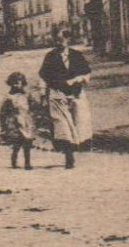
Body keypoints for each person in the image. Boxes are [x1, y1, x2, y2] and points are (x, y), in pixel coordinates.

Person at [39, 26, 93, 169]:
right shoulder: (50, 57)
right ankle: (69, 156)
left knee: (78, 124)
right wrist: (43, 95)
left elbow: (87, 73)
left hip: (76, 95)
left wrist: (78, 79)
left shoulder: (77, 55)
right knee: (63, 126)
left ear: (68, 40)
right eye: (56, 40)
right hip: (58, 95)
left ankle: (76, 150)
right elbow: (43, 77)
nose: (59, 42)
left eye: (62, 39)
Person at [0, 71, 34, 170]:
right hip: (15, 122)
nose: (18, 85)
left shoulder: (26, 95)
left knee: (27, 143)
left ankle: (27, 163)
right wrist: (4, 125)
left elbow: (32, 106)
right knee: (17, 143)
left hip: (26, 121)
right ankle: (14, 160)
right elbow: (3, 112)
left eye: (20, 83)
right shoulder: (9, 97)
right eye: (15, 83)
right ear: (11, 84)